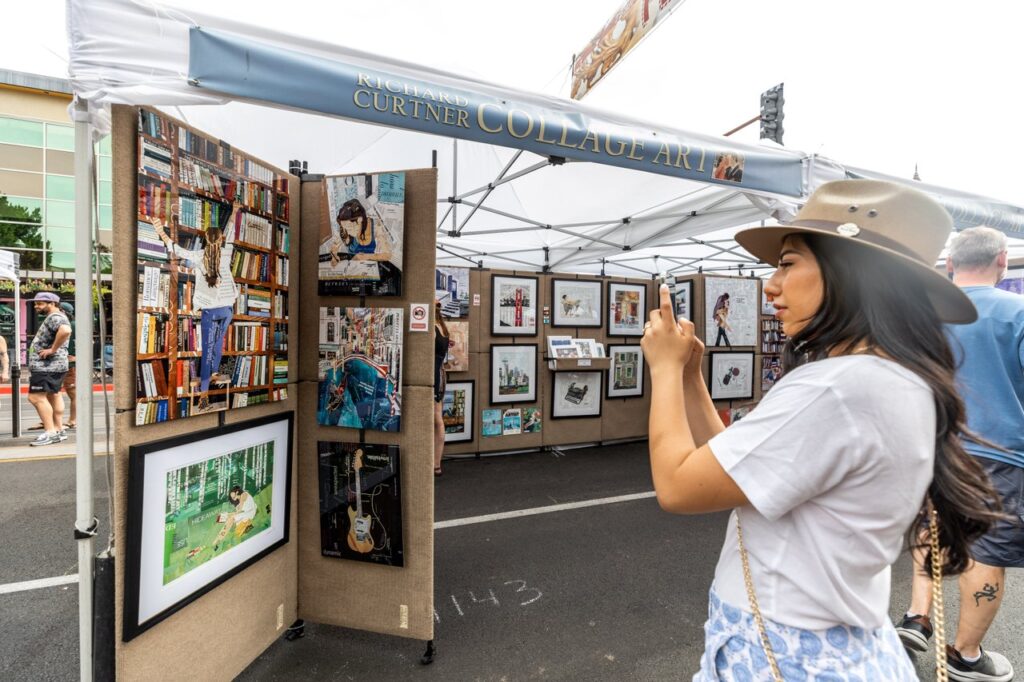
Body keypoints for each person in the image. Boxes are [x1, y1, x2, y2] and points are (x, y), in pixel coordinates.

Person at [640, 179, 1002, 680]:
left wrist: (660, 368)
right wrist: (688, 377)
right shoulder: (892, 379)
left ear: (851, 276)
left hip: (786, 653)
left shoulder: (835, 388)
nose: (771, 284)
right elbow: (733, 463)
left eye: (787, 263)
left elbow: (678, 485)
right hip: (840, 647)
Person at [895, 226, 1022, 681]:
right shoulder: (1019, 311)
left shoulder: (925, 314)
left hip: (934, 442)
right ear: (1002, 260)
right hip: (1002, 452)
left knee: (931, 527)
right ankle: (965, 655)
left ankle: (917, 616)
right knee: (985, 551)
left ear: (950, 263)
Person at [151, 200, 243, 413]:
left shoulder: (199, 256)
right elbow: (231, 231)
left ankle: (203, 391)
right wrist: (235, 211)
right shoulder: (226, 252)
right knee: (218, 342)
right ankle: (214, 372)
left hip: (211, 310)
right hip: (227, 309)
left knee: (207, 348)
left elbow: (176, 249)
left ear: (204, 239)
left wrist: (160, 231)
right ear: (220, 239)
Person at [26, 292, 72, 446]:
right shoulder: (57, 316)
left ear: (52, 303)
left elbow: (65, 331)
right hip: (55, 366)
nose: (36, 306)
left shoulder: (55, 317)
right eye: (36, 303)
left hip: (47, 366)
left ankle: (50, 432)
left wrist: (52, 350)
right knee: (53, 395)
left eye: (40, 303)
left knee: (35, 397)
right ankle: (58, 430)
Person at [433, 301, 450, 477]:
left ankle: (435, 463)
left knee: (435, 420)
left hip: (433, 375)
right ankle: (436, 463)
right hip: (441, 374)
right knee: (438, 419)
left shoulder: (433, 328)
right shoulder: (443, 327)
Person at [213, 485, 257, 551]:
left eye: (233, 494)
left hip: (249, 513)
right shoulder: (240, 499)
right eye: (231, 496)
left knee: (230, 518)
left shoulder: (243, 495)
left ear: (236, 492)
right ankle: (219, 537)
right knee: (230, 518)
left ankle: (219, 539)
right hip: (247, 513)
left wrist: (228, 515)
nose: (232, 497)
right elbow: (239, 510)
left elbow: (240, 511)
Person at [59, 302, 77, 430]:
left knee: (73, 393)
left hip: (71, 364)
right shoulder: (63, 324)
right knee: (52, 392)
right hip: (61, 363)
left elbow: (89, 342)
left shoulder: (73, 325)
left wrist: (77, 357)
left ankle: (73, 420)